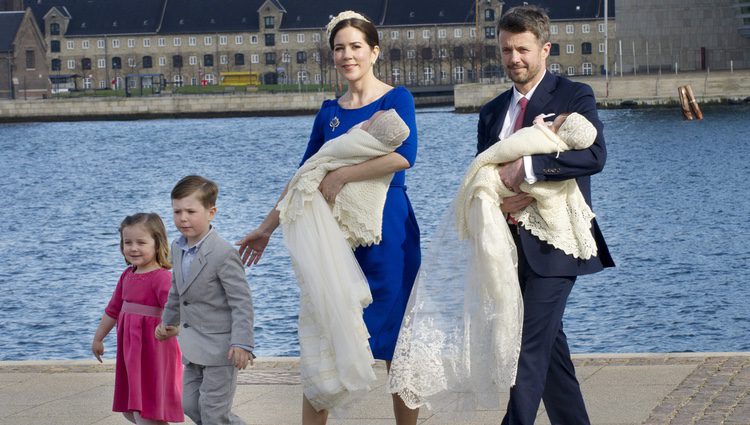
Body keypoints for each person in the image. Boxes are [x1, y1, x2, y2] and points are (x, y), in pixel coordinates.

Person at [237, 10, 421, 425]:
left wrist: (342, 175)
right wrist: (267, 228)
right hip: (334, 238)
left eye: (356, 46)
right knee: (324, 340)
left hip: (389, 237)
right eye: (339, 48)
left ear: (374, 51)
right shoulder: (328, 113)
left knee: (399, 345)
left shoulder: (397, 99)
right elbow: (304, 177)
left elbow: (404, 156)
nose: (347, 55)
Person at [477, 5, 615, 424]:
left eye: (522, 49)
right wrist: (494, 203)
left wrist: (529, 169)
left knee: (528, 351)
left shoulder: (574, 96)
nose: (513, 59)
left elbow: (594, 156)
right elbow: (480, 175)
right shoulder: (490, 112)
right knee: (550, 354)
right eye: (505, 50)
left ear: (545, 48)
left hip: (555, 246)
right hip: (505, 249)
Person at [156, 175, 255, 425]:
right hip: (192, 346)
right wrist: (168, 321)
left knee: (213, 413)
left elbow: (241, 302)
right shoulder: (177, 248)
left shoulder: (223, 254)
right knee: (188, 403)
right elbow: (177, 291)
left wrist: (242, 342)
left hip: (222, 349)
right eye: (177, 211)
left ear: (211, 212)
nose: (183, 218)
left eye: (190, 211)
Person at [92, 213, 183, 425]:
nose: (133, 248)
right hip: (132, 355)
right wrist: (98, 338)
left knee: (147, 410)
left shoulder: (161, 277)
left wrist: (173, 328)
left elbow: (177, 311)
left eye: (141, 242)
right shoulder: (127, 275)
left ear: (157, 243)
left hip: (154, 353)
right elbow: (113, 310)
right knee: (130, 410)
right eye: (128, 242)